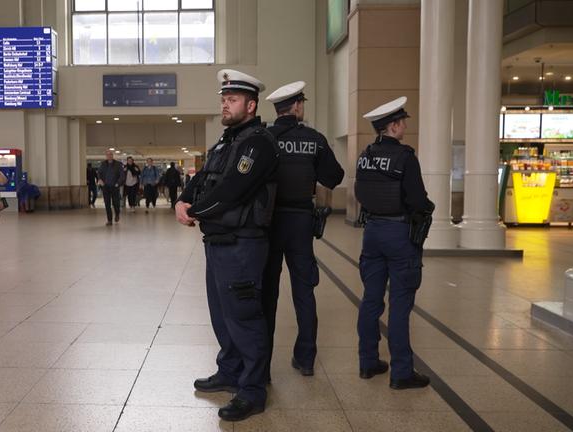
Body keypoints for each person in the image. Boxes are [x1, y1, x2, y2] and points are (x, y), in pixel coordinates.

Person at [175, 69, 279, 422]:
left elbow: (233, 190)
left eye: (232, 99)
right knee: (222, 314)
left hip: (243, 243)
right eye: (223, 99)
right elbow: (203, 178)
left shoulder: (258, 143)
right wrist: (182, 199)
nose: (225, 104)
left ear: (251, 105)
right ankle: (230, 371)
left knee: (245, 317)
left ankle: (252, 390)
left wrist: (194, 211)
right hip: (218, 240)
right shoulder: (225, 142)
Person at [261, 81, 345, 379]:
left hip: (269, 223)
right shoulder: (314, 139)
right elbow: (334, 176)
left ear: (278, 110)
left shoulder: (264, 138)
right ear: (297, 106)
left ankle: (262, 366)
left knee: (267, 293)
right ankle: (305, 358)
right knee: (304, 291)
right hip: (300, 222)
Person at [354, 96, 434, 389]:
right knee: (400, 304)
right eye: (402, 123)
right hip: (399, 234)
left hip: (372, 232)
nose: (405, 128)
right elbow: (417, 200)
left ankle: (368, 362)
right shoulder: (405, 157)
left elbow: (360, 192)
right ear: (394, 126)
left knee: (371, 299)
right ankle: (401, 372)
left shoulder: (365, 156)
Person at [97, 150, 125, 226]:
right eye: (107, 155)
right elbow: (99, 173)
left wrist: (118, 183)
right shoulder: (103, 164)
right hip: (105, 187)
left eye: (110, 154)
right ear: (106, 156)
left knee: (116, 203)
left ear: (112, 155)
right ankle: (109, 220)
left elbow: (122, 175)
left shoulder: (118, 164)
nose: (109, 156)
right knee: (107, 204)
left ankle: (117, 214)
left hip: (115, 186)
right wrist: (100, 179)